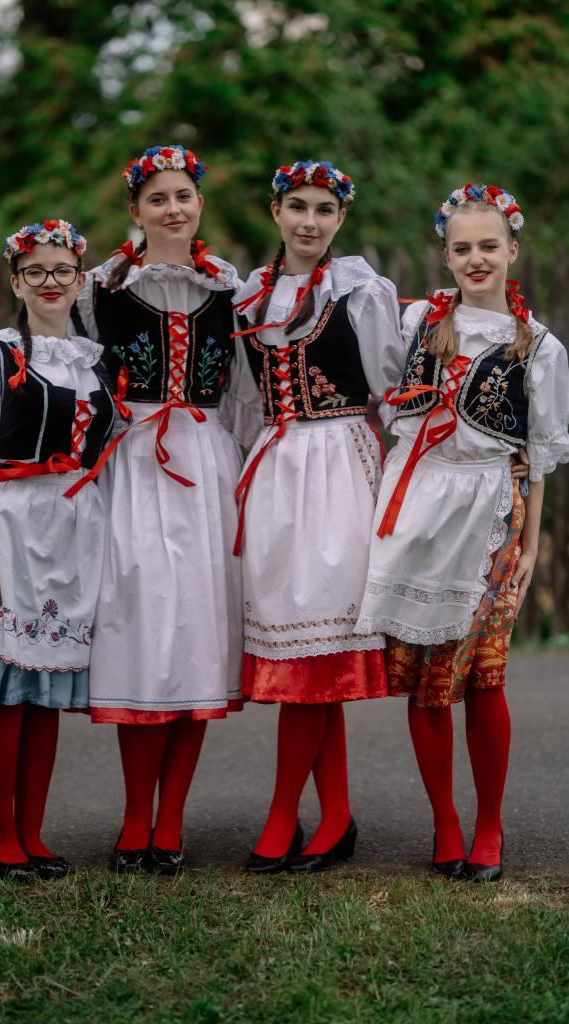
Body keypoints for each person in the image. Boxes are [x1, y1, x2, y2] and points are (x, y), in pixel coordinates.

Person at [355, 184, 569, 880]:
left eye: (488, 246)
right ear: (445, 256)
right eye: (462, 247)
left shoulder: (537, 346)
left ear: (512, 250)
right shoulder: (419, 320)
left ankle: (489, 826)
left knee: (482, 675)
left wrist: (529, 546)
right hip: (418, 507)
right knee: (425, 678)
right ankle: (444, 822)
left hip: (491, 515)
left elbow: (539, 456)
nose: (476, 258)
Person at [75, 145, 257, 872]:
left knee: (196, 640)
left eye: (183, 195)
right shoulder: (100, 290)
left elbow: (246, 395)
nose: (172, 209)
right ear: (135, 211)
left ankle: (171, 820)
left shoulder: (230, 290)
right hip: (132, 467)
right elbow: (77, 384)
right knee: (140, 630)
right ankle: (133, 819)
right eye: (157, 198)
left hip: (206, 466)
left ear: (199, 204)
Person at [232, 160, 406, 873]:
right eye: (297, 206)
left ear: (340, 218)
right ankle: (335, 815)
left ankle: (285, 813)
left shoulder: (361, 291)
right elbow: (244, 404)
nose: (310, 221)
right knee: (304, 654)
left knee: (315, 651)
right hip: (276, 471)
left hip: (340, 468)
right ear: (275, 211)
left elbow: (394, 393)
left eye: (324, 209)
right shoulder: (248, 297)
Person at [0, 220, 117, 880]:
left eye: (62, 270)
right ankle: (0, 839)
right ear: (16, 282)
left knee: (45, 690)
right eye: (35, 271)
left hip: (73, 532)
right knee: (6, 692)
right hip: (11, 527)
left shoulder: (94, 361)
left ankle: (33, 834)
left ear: (80, 279)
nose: (50, 282)